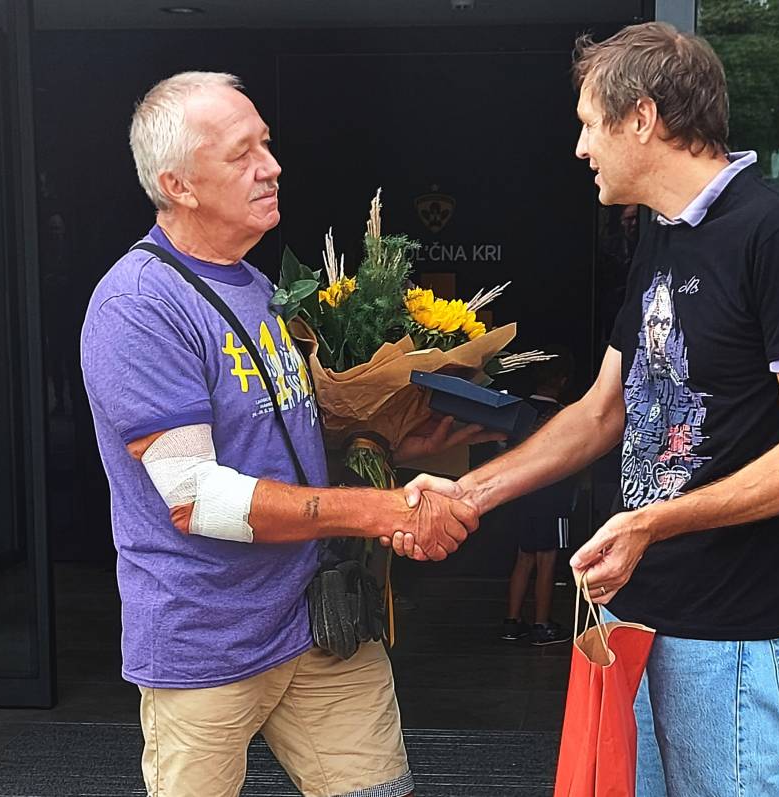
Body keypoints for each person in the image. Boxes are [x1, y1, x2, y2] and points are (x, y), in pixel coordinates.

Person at [394, 23, 779, 796]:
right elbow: (600, 411)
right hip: (635, 614)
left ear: (642, 117)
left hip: (731, 632)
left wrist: (653, 522)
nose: (581, 147)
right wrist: (469, 492)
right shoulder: (660, 235)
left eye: (590, 123)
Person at [79, 71, 488, 797]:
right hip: (206, 643)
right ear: (177, 184)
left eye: (266, 145)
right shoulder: (139, 306)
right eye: (241, 154)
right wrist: (381, 510)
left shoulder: (257, 287)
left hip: (319, 619)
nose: (270, 166)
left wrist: (385, 444)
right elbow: (196, 498)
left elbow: (276, 440)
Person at [500, 349, 578, 646]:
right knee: (547, 559)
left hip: (521, 494)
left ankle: (512, 621)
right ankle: (542, 624)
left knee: (523, 556)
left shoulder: (519, 412)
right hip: (552, 497)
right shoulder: (565, 415)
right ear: (563, 381)